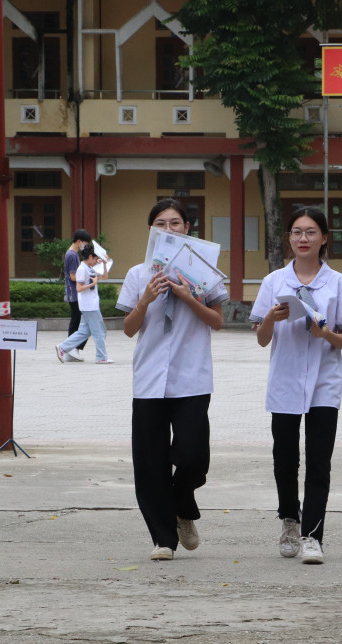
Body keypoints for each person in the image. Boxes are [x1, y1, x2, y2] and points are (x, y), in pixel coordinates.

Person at [116, 198, 227, 561]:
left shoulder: (204, 271)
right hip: (149, 379)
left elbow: (217, 321)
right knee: (150, 462)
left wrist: (188, 296)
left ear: (187, 229)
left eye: (175, 223)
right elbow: (129, 329)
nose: (168, 229)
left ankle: (182, 502)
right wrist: (145, 300)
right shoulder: (137, 274)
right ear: (151, 230)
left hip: (192, 376)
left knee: (194, 454)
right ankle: (164, 538)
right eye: (160, 223)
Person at [250, 206, 342, 565]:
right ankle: (289, 522)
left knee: (318, 461)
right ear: (289, 239)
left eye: (311, 232)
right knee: (284, 459)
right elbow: (262, 340)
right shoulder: (274, 282)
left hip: (324, 383)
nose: (303, 239)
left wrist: (324, 332)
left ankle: (314, 536)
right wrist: (270, 316)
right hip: (284, 379)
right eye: (296, 232)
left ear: (324, 238)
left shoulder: (338, 283)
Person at [55, 244, 112, 365]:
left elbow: (105, 277)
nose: (97, 260)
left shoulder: (90, 268)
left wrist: (105, 263)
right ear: (90, 256)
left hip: (91, 305)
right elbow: (79, 288)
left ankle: (62, 347)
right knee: (99, 331)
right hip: (89, 306)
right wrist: (93, 284)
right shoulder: (82, 269)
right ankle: (101, 356)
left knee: (84, 332)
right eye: (96, 258)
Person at [62, 229, 92, 361]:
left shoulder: (71, 254)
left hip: (73, 293)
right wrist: (87, 276)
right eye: (85, 243)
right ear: (79, 241)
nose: (85, 246)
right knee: (78, 322)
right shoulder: (72, 255)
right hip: (75, 293)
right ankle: (71, 348)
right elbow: (73, 276)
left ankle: (71, 349)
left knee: (77, 320)